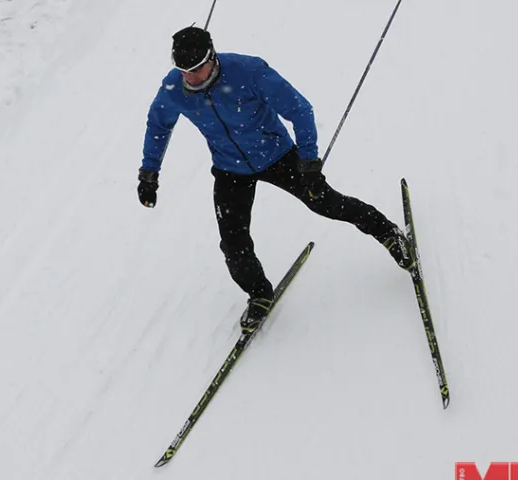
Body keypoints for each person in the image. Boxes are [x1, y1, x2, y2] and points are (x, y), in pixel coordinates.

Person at [137, 26, 414, 333]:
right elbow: (158, 125)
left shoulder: (249, 71)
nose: (190, 78)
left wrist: (309, 162)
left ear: (212, 57)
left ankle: (387, 232)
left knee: (326, 203)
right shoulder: (174, 88)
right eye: (183, 71)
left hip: (278, 156)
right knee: (233, 242)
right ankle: (258, 294)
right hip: (230, 169)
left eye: (196, 69)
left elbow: (300, 109)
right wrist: (149, 173)